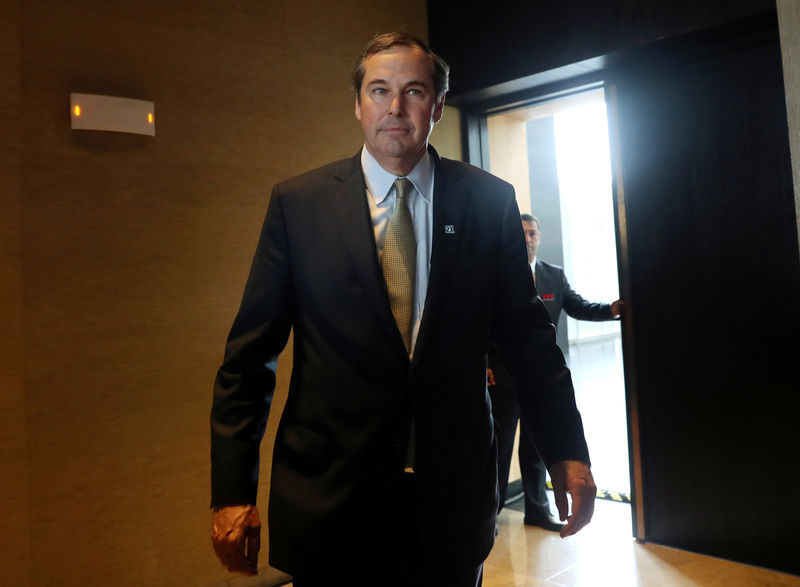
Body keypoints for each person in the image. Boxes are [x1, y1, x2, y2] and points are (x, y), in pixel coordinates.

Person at [210, 33, 596, 586]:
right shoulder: (299, 206)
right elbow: (249, 360)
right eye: (379, 90)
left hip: (452, 503)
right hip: (330, 501)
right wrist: (230, 492)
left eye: (413, 91)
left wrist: (565, 449)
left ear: (437, 106)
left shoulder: (489, 203)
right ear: (358, 104)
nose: (395, 108)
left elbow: (529, 342)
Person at [488, 213, 620, 532]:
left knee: (537, 450)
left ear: (539, 237)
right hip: (502, 380)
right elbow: (481, 326)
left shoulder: (553, 275)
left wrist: (611, 311)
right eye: (521, 233)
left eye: (532, 233)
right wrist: (485, 365)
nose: (527, 238)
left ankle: (536, 509)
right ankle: (489, 515)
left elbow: (577, 306)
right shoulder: (495, 275)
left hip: (540, 380)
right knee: (497, 450)